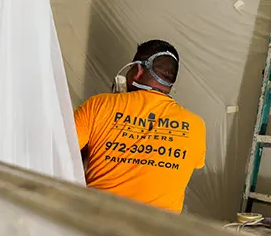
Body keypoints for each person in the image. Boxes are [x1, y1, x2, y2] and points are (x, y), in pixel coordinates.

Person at [73, 39, 206, 213]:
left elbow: (60, 150)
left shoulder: (98, 106)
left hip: (96, 224)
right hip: (156, 233)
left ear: (138, 70)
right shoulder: (195, 125)